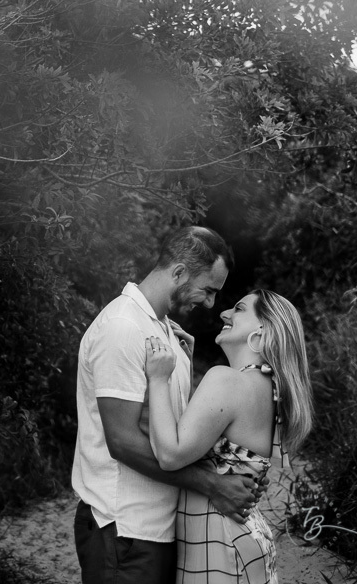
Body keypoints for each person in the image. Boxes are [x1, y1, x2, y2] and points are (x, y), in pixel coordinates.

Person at [73, 226, 263, 584]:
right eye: (208, 290)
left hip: (156, 529)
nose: (210, 304)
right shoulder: (123, 327)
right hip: (124, 531)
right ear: (178, 273)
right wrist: (212, 485)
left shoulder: (163, 330)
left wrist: (185, 372)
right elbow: (122, 440)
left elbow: (170, 430)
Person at [145, 288, 313, 583]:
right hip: (246, 539)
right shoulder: (272, 391)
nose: (224, 313)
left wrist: (159, 379)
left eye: (238, 308)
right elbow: (216, 438)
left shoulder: (226, 380)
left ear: (263, 330)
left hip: (219, 544)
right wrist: (188, 367)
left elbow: (170, 455)